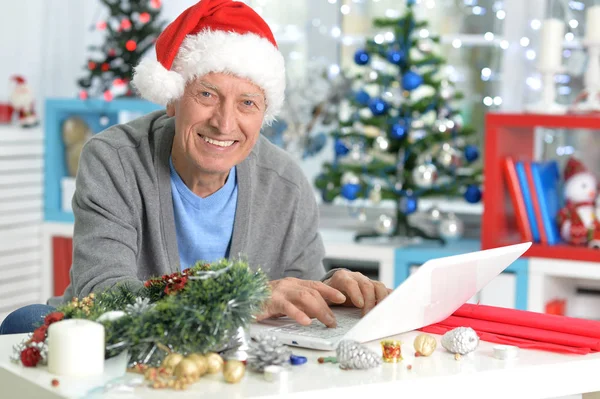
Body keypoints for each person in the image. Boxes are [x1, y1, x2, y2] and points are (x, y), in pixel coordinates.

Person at [0, 0, 390, 335]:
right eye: (207, 94)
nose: (224, 123)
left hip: (236, 358)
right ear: (172, 99)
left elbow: (295, 296)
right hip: (122, 345)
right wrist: (240, 299)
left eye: (247, 103)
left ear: (263, 115)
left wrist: (333, 293)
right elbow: (103, 296)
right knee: (24, 321)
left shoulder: (286, 183)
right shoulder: (114, 159)